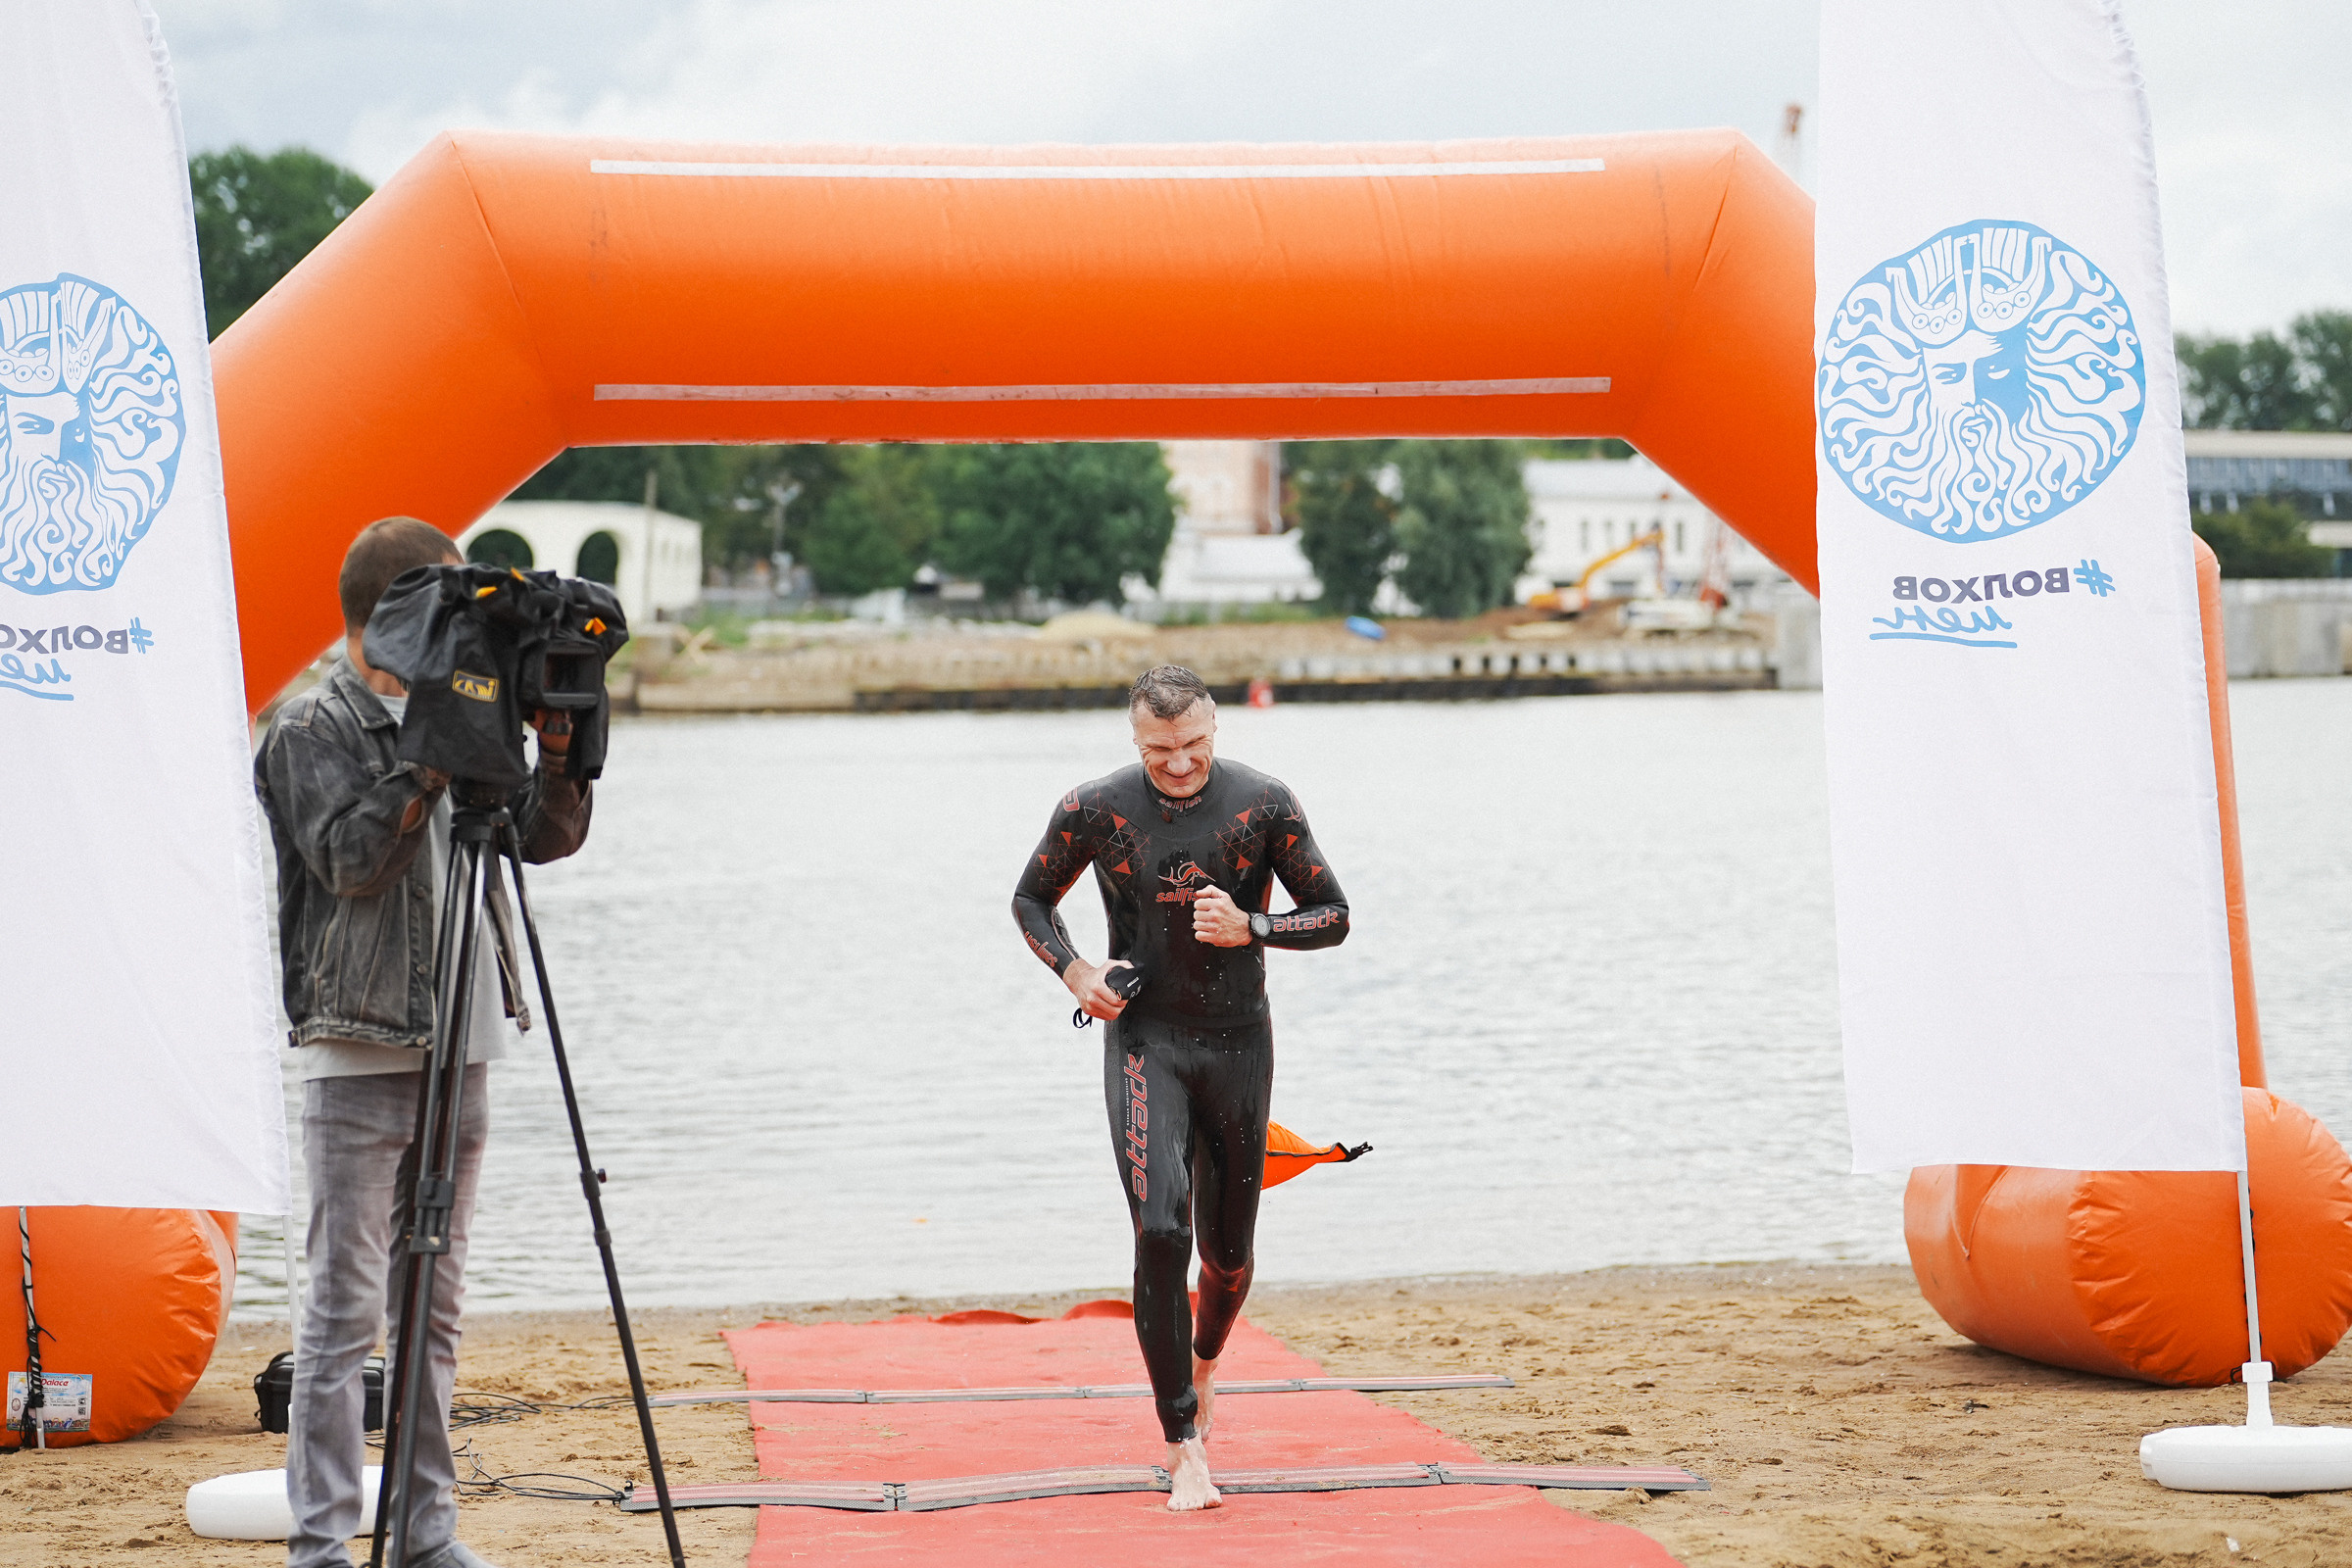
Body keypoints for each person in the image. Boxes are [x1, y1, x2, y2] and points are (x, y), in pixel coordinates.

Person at [255, 516, 591, 1568]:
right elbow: (351, 860)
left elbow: (540, 838)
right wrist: (432, 752)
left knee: (433, 1313)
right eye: (449, 607)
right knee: (342, 1311)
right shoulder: (311, 724)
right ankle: (320, 1543)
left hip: (467, 1040)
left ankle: (424, 1533)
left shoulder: (466, 714)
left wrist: (560, 747)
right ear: (395, 613)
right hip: (358, 1048)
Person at [1010, 664, 1349, 1512]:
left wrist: (1254, 925)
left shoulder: (1264, 804)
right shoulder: (1094, 807)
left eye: (1194, 745)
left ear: (1213, 731)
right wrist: (1075, 969)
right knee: (1161, 1226)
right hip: (1144, 1037)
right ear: (1135, 739)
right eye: (1160, 749)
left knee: (1226, 1260)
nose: (1179, 764)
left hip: (1238, 1041)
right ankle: (1182, 1439)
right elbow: (1030, 899)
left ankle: (1203, 1365)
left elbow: (1334, 914)